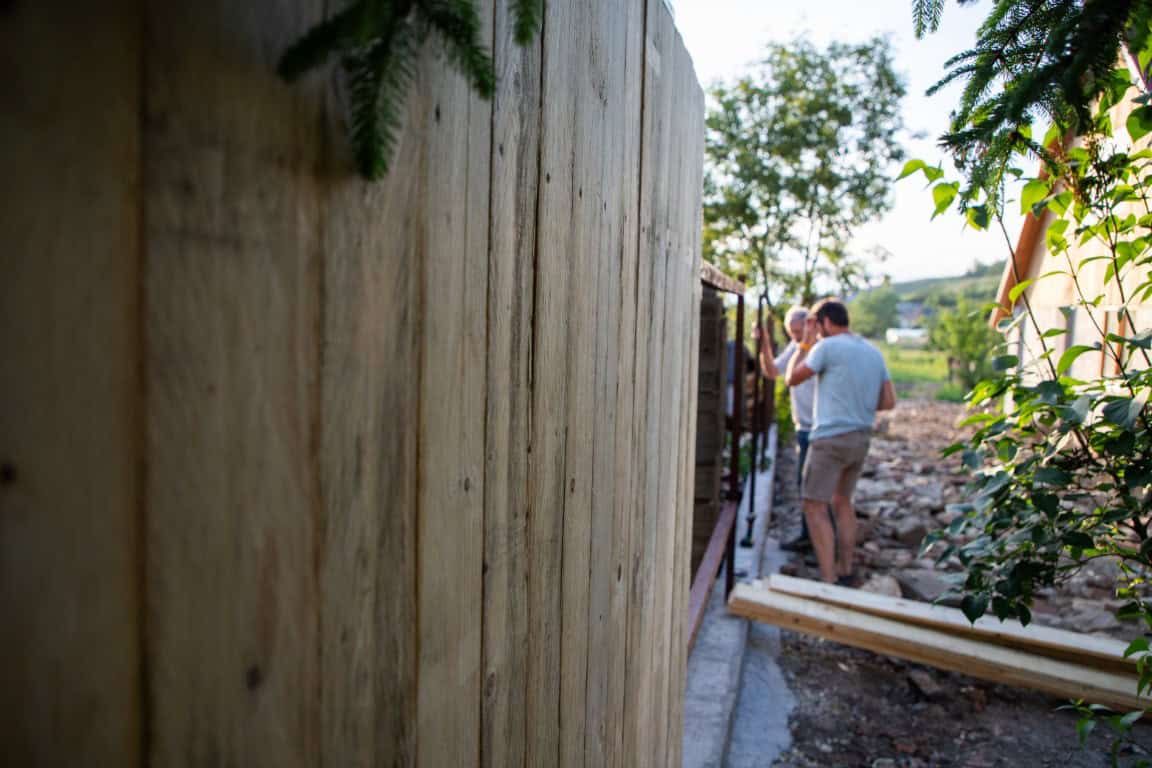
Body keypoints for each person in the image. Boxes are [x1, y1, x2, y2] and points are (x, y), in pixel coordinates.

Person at [785, 298, 896, 585]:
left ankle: (829, 579)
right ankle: (846, 568)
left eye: (816, 327)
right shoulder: (873, 352)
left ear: (825, 322)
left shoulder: (826, 347)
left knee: (814, 505)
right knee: (843, 502)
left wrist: (805, 342)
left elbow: (792, 379)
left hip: (829, 438)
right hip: (861, 437)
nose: (816, 332)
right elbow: (888, 401)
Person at [757, 306, 817, 552]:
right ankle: (810, 536)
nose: (794, 336)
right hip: (803, 426)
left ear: (809, 326)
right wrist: (764, 343)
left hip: (819, 427)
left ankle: (816, 540)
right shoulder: (796, 347)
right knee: (806, 485)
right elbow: (772, 371)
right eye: (790, 332)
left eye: (797, 331)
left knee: (814, 487)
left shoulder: (818, 348)